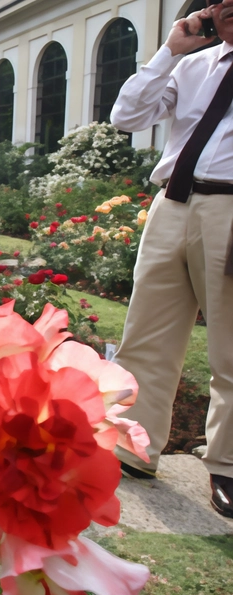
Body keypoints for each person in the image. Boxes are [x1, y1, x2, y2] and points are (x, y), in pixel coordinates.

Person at [108, 0, 233, 518]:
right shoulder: (194, 64)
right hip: (173, 204)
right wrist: (168, 51)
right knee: (147, 330)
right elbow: (126, 117)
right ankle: (136, 446)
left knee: (230, 343)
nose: (226, 6)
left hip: (230, 206)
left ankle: (227, 465)